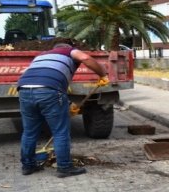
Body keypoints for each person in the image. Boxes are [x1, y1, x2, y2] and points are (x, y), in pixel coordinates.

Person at [17, 43, 108, 178]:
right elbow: (86, 58)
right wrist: (102, 74)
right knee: (60, 132)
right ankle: (64, 167)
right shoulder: (69, 51)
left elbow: (44, 81)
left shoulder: (41, 56)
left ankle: (28, 166)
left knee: (29, 132)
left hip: (24, 89)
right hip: (48, 90)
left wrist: (68, 104)